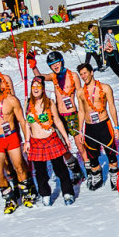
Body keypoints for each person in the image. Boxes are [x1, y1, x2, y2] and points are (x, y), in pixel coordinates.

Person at [0, 75, 32, 212]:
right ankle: (10, 199)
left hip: (11, 137)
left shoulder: (11, 100)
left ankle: (26, 194)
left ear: (0, 85)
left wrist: (27, 141)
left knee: (19, 167)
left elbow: (22, 120)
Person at [22, 77, 78, 205]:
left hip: (51, 139)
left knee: (60, 168)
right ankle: (45, 194)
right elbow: (27, 123)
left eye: (38, 86)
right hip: (36, 142)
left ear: (43, 88)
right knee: (40, 172)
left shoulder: (49, 103)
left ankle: (68, 192)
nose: (36, 88)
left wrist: (65, 137)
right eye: (33, 86)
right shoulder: (28, 103)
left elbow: (57, 121)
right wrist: (27, 141)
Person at [76, 62, 119, 190]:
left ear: (91, 72)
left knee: (111, 153)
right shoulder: (80, 92)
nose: (83, 76)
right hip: (90, 127)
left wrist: (116, 127)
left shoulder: (105, 88)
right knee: (92, 155)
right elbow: (81, 111)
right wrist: (80, 131)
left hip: (104, 124)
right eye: (81, 74)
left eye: (85, 73)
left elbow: (112, 107)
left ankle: (114, 174)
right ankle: (97, 174)